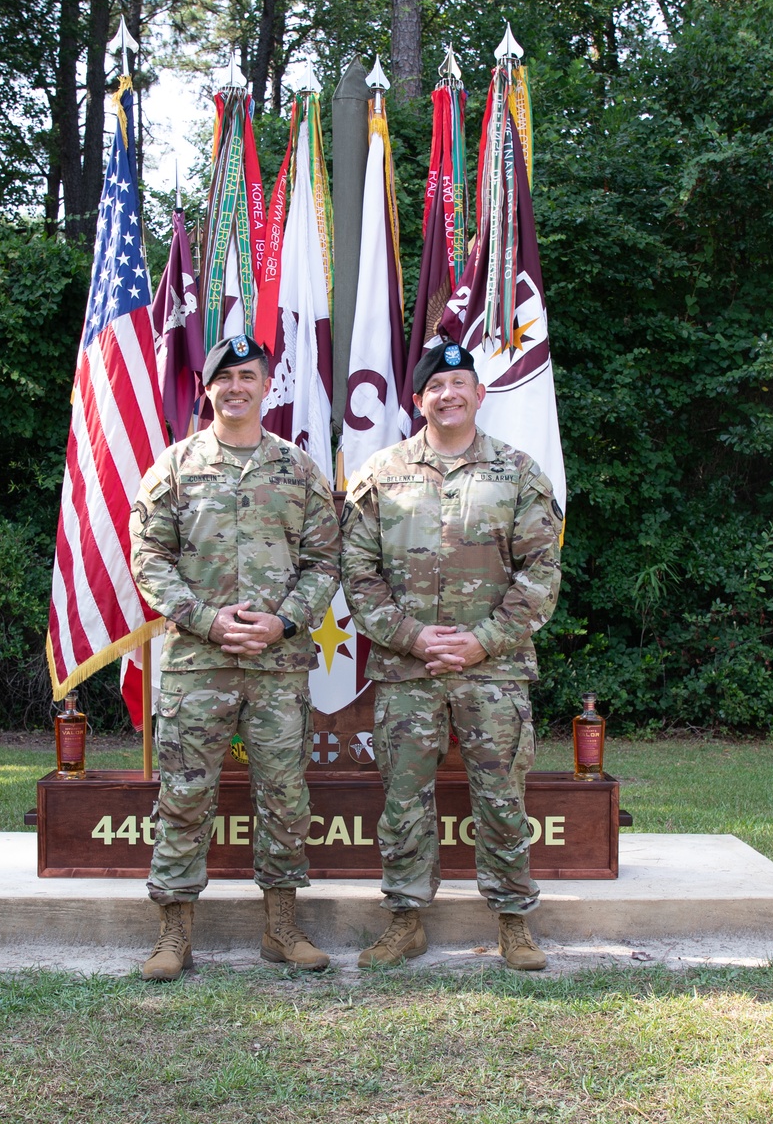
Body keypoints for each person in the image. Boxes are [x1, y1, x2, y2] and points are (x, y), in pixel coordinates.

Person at [340, 339, 562, 970]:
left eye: (460, 383)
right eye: (436, 386)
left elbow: (541, 573)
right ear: (419, 400)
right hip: (407, 670)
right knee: (403, 800)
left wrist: (480, 640)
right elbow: (357, 573)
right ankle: (406, 920)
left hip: (494, 670)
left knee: (501, 796)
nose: (449, 394)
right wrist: (411, 637)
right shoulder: (383, 474)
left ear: (478, 394)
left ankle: (513, 922)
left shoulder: (517, 473)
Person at [129, 333, 340, 980]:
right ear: (207, 387)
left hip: (277, 666)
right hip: (199, 663)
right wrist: (206, 618)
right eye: (225, 377)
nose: (237, 387)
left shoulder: (300, 470)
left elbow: (325, 560)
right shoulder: (174, 466)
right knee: (185, 796)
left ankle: (280, 930)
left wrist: (281, 621)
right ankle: (174, 936)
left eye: (248, 375)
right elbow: (148, 557)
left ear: (267, 385)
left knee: (284, 795)